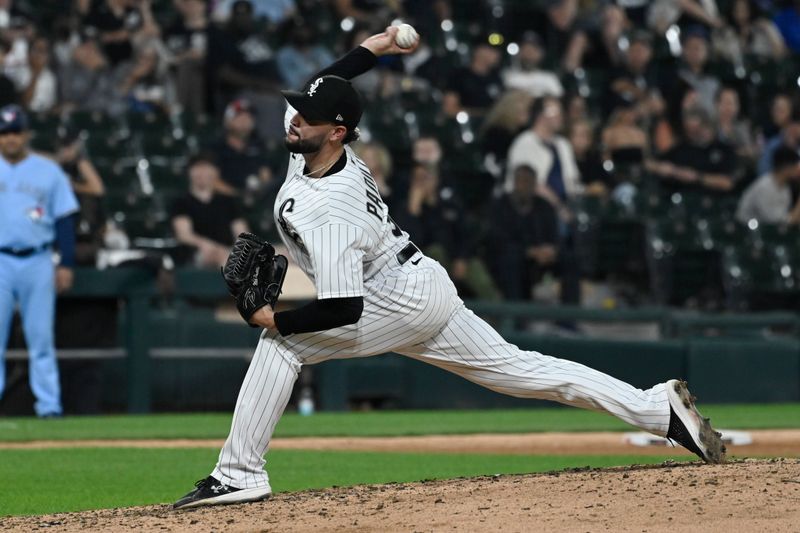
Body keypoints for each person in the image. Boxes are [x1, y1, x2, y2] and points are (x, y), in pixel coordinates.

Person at [173, 27, 726, 510]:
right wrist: (378, 47)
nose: (294, 120)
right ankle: (659, 411)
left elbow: (345, 307)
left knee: (282, 348)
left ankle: (238, 474)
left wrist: (277, 320)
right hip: (418, 283)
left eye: (309, 117)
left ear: (338, 132)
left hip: (394, 298)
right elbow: (333, 77)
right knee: (524, 369)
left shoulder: (331, 208)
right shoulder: (314, 141)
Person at [0, 105, 79, 417]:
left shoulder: (48, 171)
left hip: (37, 259)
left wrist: (67, 263)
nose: (10, 139)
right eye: (4, 133)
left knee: (41, 339)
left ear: (26, 134)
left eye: (15, 132)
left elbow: (64, 221)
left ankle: (48, 407)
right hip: (1, 261)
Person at [170, 155, 249, 268]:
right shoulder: (181, 202)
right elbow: (184, 235)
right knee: (218, 256)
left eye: (207, 168)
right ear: (190, 172)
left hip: (229, 251)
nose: (203, 173)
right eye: (198, 168)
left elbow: (242, 233)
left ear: (216, 172)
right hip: (199, 253)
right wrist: (209, 246)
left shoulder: (228, 202)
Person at [736, 146, 800, 225]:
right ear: (786, 167)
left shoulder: (785, 187)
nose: (798, 170)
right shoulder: (764, 187)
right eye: (796, 166)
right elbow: (777, 222)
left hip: (766, 232)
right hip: (745, 232)